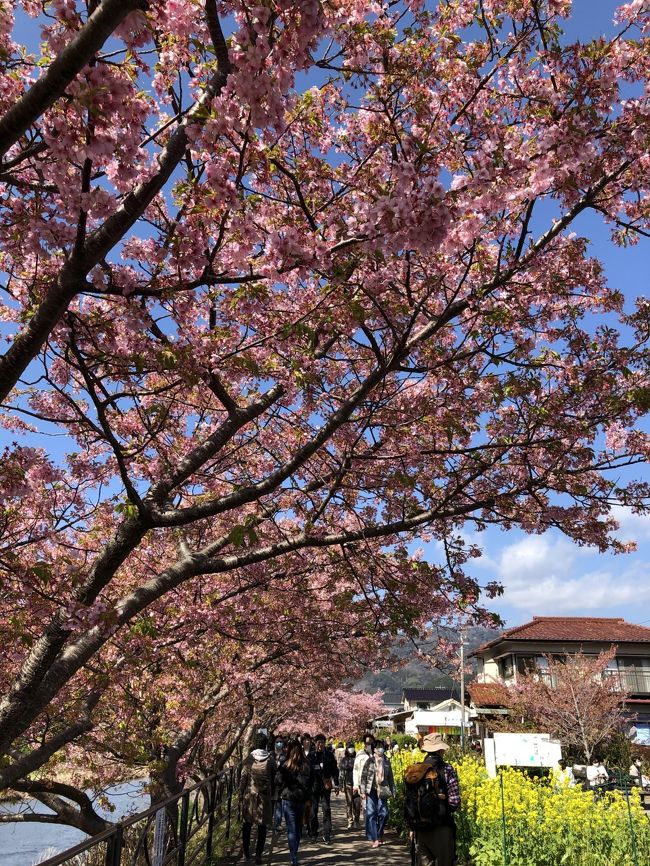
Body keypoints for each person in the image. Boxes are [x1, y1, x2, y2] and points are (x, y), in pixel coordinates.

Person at [405, 733, 460, 866]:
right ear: (441, 750)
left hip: (420, 828)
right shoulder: (447, 769)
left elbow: (409, 799)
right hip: (442, 827)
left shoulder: (415, 771)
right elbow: (454, 801)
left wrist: (412, 827)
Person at [275, 740, 314, 866]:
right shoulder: (306, 764)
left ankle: (294, 857)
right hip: (301, 800)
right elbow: (312, 781)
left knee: (291, 829)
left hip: (288, 800)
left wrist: (282, 790)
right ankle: (295, 854)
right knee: (297, 828)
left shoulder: (285, 765)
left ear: (289, 750)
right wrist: (308, 795)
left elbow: (277, 780)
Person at [240, 733, 276, 864]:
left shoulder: (250, 759)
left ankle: (246, 853)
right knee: (262, 827)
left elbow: (243, 778)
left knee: (247, 825)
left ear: (254, 744)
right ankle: (259, 855)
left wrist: (240, 794)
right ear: (265, 744)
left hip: (250, 795)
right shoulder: (270, 759)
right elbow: (274, 777)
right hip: (265, 796)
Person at [360, 740, 395, 848]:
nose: (381, 749)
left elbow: (390, 777)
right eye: (378, 747)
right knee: (371, 814)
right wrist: (362, 791)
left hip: (383, 790)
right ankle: (375, 838)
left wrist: (393, 790)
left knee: (384, 813)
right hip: (371, 790)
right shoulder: (369, 761)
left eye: (382, 747)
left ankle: (379, 833)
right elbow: (364, 776)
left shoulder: (386, 761)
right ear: (374, 749)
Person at [308, 732, 340, 844]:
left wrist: (336, 784)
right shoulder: (311, 755)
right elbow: (307, 771)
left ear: (325, 743)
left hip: (326, 785)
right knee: (313, 810)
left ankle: (327, 834)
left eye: (322, 742)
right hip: (313, 786)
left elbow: (335, 770)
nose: (320, 744)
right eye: (318, 742)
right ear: (315, 743)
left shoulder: (329, 755)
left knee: (326, 809)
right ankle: (313, 833)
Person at [339, 740, 361, 828]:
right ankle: (350, 821)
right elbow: (341, 773)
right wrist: (340, 784)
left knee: (357, 803)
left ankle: (357, 820)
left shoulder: (357, 759)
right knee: (349, 803)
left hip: (357, 784)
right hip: (348, 784)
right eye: (349, 747)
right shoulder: (344, 760)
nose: (351, 749)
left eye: (352, 747)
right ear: (347, 749)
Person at [273, 738, 287, 832]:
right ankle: (268, 823)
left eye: (280, 742)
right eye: (277, 742)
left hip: (281, 783)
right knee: (270, 805)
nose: (279, 743)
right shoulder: (270, 755)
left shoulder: (285, 756)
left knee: (279, 805)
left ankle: (277, 824)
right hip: (271, 783)